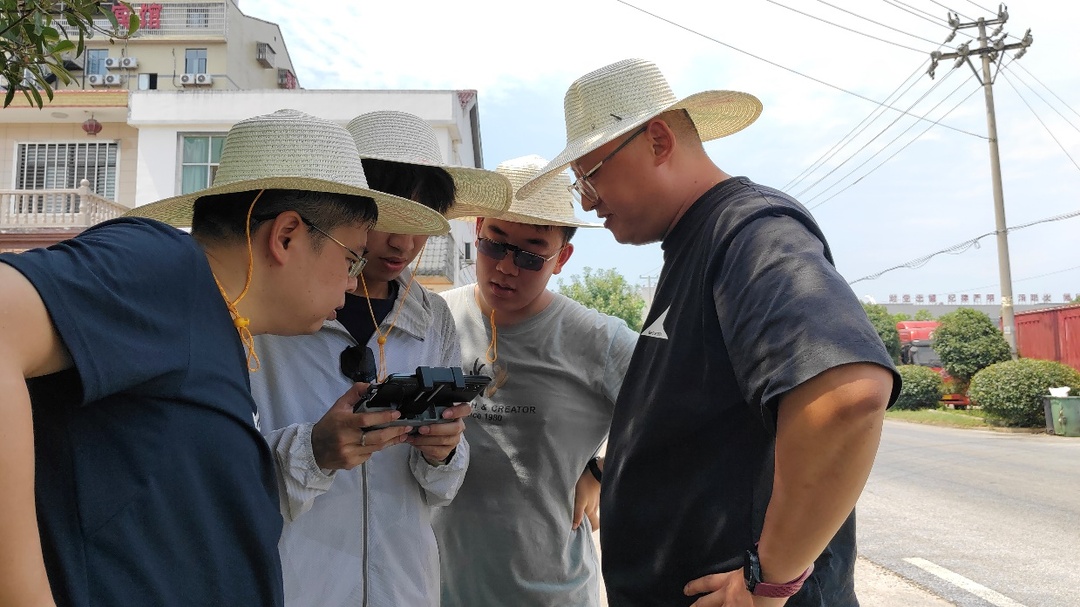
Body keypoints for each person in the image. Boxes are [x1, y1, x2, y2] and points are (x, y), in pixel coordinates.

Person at [0, 108, 448, 607]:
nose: (352, 282)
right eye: (351, 258)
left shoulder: (222, 328)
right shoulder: (163, 266)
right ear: (286, 236)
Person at [520, 59, 900, 606]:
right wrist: (610, 468)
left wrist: (772, 580)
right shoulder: (693, 246)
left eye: (591, 173)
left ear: (656, 140)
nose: (585, 199)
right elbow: (702, 421)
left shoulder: (749, 231)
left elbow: (847, 396)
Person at [249, 110, 513, 606]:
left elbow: (443, 487)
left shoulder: (432, 318)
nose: (404, 244)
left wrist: (445, 449)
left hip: (403, 583)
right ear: (345, 209)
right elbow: (224, 472)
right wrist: (315, 452)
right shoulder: (269, 315)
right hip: (296, 583)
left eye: (421, 226)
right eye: (388, 220)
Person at [433, 154, 640, 606]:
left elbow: (674, 415)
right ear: (477, 229)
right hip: (436, 587)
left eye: (530, 253)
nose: (507, 267)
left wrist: (601, 469)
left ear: (561, 258)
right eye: (495, 243)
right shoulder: (434, 319)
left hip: (551, 592)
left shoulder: (599, 341)